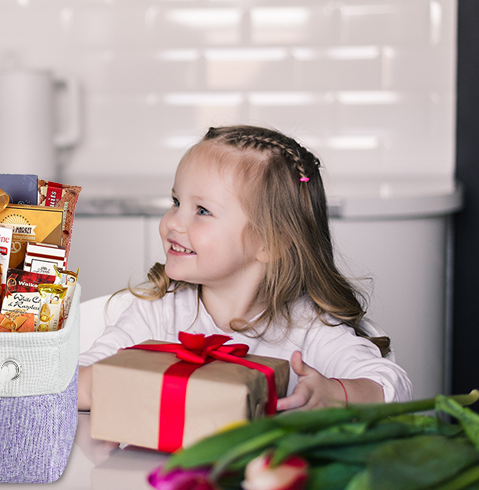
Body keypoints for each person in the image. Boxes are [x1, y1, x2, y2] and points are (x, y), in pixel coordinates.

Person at [77, 125, 412, 411]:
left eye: (202, 211)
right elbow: (79, 378)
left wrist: (335, 393)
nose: (173, 223)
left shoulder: (308, 328)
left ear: (269, 243)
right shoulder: (159, 313)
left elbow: (393, 386)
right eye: (176, 202)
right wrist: (96, 384)